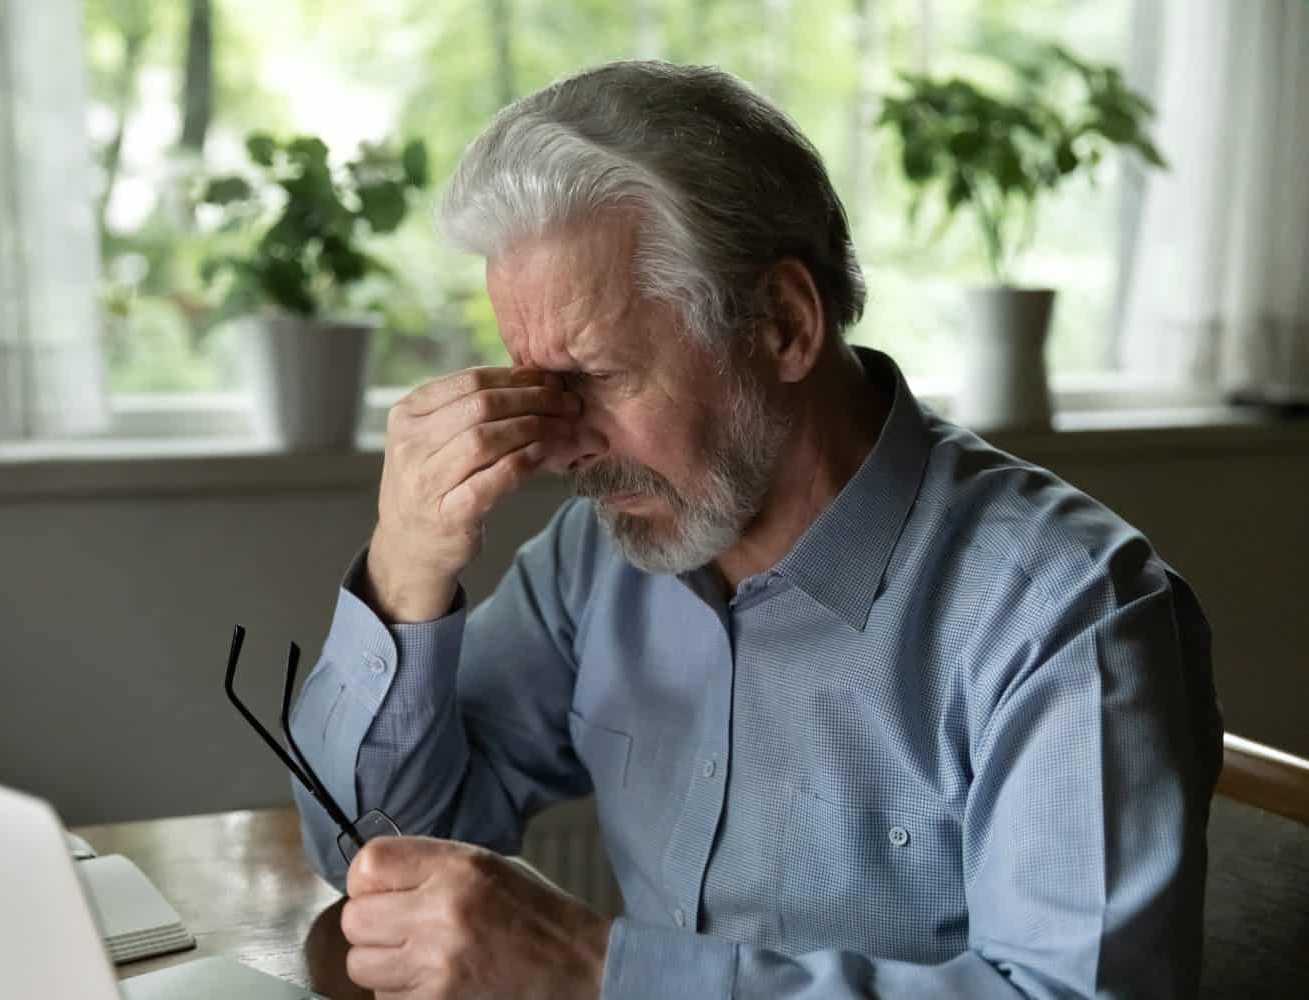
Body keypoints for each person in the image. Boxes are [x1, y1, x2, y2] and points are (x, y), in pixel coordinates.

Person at [288, 61, 1222, 999]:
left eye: (596, 377)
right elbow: (378, 853)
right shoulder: (599, 560)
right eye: (534, 382)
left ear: (781, 325)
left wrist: (589, 971)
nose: (562, 445)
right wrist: (406, 563)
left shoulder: (1068, 613)